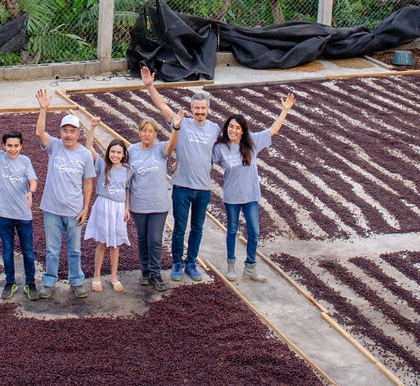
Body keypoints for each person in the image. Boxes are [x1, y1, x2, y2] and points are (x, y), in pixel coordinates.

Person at [140, 65, 217, 282]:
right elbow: (162, 106)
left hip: (203, 188)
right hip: (182, 186)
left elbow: (225, 149)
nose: (199, 112)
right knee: (180, 227)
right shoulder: (181, 123)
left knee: (197, 228)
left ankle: (191, 264)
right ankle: (176, 263)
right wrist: (150, 86)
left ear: (208, 110)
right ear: (191, 109)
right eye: (196, 108)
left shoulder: (215, 129)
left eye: (203, 108)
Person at [211, 92, 296, 283]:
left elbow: (273, 130)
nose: (233, 130)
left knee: (254, 231)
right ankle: (231, 265)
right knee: (232, 230)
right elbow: (204, 163)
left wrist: (285, 111)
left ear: (243, 131)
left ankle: (250, 267)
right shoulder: (220, 148)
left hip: (251, 195)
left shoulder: (251, 142)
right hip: (232, 196)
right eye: (230, 126)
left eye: (237, 128)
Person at [34, 88, 98, 299]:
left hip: (73, 211)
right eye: (65, 130)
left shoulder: (85, 155)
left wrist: (85, 209)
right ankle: (49, 282)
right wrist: (43, 109)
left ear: (79, 133)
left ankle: (76, 281)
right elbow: (39, 133)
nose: (68, 134)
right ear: (60, 132)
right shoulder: (54, 146)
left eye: (72, 131)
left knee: (75, 250)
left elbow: (88, 183)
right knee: (52, 249)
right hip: (51, 209)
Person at [0, 98, 40, 300]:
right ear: (4, 146)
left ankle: (30, 283)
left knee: (28, 252)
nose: (12, 149)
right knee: (7, 252)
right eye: (9, 145)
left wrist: (30, 192)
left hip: (24, 215)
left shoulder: (25, 161)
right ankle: (10, 282)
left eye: (16, 145)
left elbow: (33, 180)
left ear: (22, 146)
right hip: (4, 215)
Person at [127, 117, 176, 291]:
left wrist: (176, 128)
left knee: (155, 239)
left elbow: (172, 145)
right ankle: (145, 270)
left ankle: (156, 272)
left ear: (156, 133)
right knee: (142, 238)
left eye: (150, 131)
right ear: (139, 132)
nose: (147, 134)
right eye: (144, 130)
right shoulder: (131, 150)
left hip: (158, 203)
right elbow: (125, 179)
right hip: (138, 203)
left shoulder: (160, 149)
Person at [85, 137, 133, 291]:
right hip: (104, 206)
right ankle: (97, 275)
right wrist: (92, 128)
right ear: (108, 152)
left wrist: (127, 209)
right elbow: (89, 147)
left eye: (119, 152)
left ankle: (114, 276)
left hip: (118, 208)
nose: (115, 155)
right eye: (113, 151)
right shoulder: (102, 165)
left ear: (124, 154)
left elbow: (127, 190)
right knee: (102, 243)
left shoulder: (128, 171)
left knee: (115, 244)